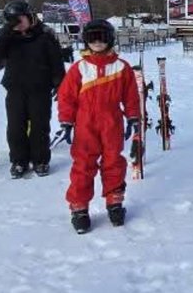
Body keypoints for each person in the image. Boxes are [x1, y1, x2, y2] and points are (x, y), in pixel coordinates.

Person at [56, 20, 141, 233]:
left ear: (109, 40)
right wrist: (66, 121)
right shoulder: (80, 68)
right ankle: (79, 207)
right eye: (92, 38)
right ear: (86, 41)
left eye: (102, 38)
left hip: (111, 121)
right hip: (85, 123)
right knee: (83, 164)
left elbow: (131, 96)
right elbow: (66, 97)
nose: (97, 43)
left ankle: (114, 202)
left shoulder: (121, 67)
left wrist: (133, 117)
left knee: (113, 161)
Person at [0, 0, 65, 179]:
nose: (18, 23)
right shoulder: (6, 35)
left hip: (40, 87)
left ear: (30, 16)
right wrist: (8, 31)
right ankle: (19, 161)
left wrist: (60, 83)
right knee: (15, 126)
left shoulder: (45, 34)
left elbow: (56, 61)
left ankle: (40, 160)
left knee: (40, 126)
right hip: (15, 87)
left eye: (20, 18)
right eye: (13, 20)